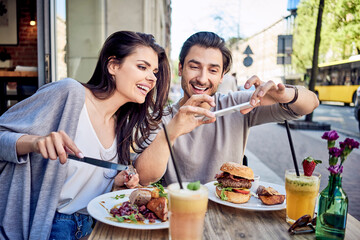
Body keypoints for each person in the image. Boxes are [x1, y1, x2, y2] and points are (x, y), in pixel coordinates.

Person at [0, 31, 208, 240]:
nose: (152, 78)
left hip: (90, 226)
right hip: (50, 225)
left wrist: (115, 184)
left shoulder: (121, 125)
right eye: (142, 67)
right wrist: (34, 142)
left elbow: (90, 191)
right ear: (113, 66)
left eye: (154, 71)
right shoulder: (70, 94)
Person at [135, 31, 319, 186]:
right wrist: (172, 131)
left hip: (231, 212)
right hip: (181, 213)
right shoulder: (161, 118)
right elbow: (144, 177)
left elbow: (310, 104)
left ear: (222, 76)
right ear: (181, 68)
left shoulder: (238, 105)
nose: (202, 78)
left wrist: (284, 95)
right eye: (194, 67)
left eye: (213, 70)